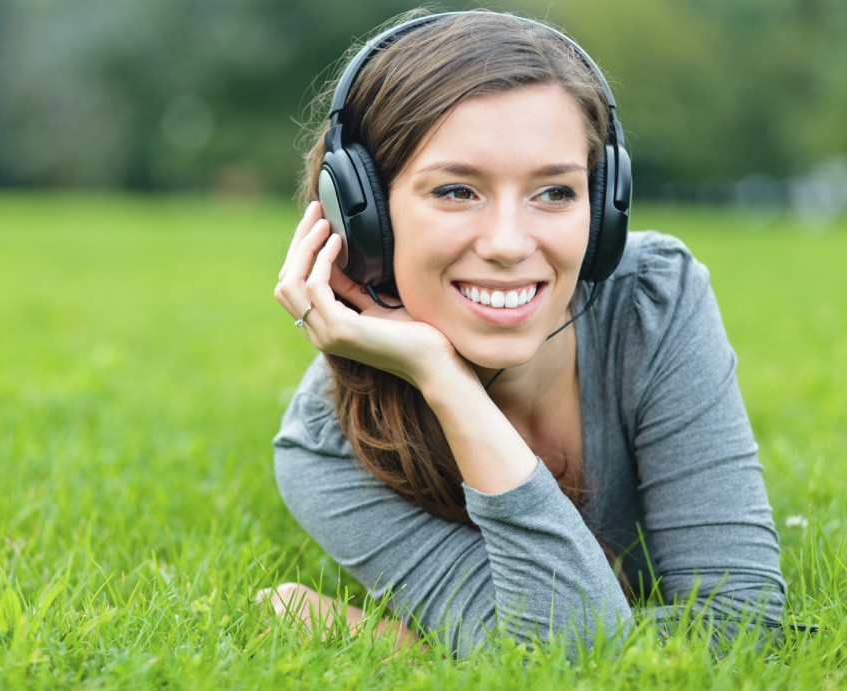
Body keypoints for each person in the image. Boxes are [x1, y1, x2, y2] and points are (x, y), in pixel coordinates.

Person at [269, 9, 785, 657]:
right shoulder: (326, 449)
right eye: (456, 191)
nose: (510, 244)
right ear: (362, 217)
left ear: (604, 210)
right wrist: (443, 379)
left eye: (555, 193)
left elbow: (742, 623)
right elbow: (566, 653)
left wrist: (415, 646)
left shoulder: (651, 298)